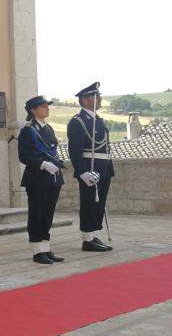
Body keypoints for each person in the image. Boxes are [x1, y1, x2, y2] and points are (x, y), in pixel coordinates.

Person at [67, 82, 114, 252]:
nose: (100, 99)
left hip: (103, 167)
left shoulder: (96, 120)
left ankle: (93, 234)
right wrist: (82, 172)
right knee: (89, 202)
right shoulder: (78, 122)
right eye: (97, 96)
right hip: (90, 167)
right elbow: (74, 150)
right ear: (85, 100)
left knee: (99, 203)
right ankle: (87, 239)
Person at [18, 95, 65, 264]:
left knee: (48, 213)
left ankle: (46, 247)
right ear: (33, 110)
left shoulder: (48, 128)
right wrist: (43, 164)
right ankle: (37, 251)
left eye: (47, 106)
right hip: (37, 177)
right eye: (43, 106)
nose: (47, 108)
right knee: (37, 214)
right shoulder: (27, 130)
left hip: (53, 178)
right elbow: (23, 156)